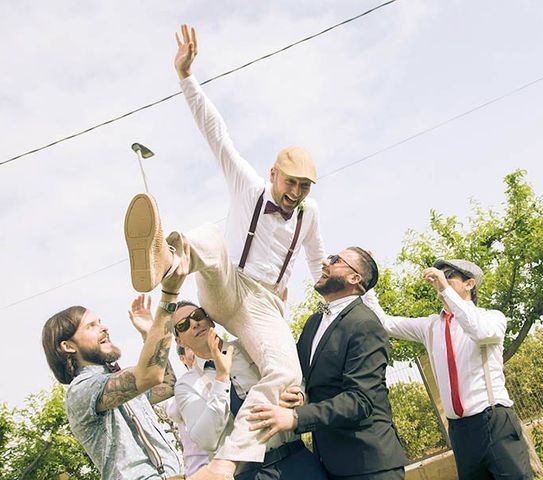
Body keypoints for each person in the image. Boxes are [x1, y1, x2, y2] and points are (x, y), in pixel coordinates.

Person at [124, 24, 325, 480]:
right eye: (290, 182)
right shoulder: (249, 186)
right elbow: (218, 134)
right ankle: (169, 262)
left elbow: (317, 261)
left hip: (266, 304)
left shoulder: (311, 214)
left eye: (304, 186)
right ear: (274, 174)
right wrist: (186, 77)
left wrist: (332, 300)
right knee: (211, 239)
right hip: (228, 281)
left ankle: (227, 459)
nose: (295, 192)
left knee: (285, 374)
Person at [248, 248, 408, 479]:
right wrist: (301, 396)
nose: (325, 261)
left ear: (354, 278)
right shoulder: (314, 323)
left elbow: (360, 400)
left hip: (370, 465)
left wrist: (295, 417)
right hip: (330, 465)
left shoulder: (365, 325)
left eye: (335, 260)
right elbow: (308, 378)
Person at [365, 259, 533, 480]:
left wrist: (446, 290)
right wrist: (367, 279)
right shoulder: (431, 325)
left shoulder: (491, 317)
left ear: (470, 284)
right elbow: (385, 323)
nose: (440, 279)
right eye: (440, 275)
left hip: (494, 420)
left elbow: (480, 333)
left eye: (449, 275)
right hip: (459, 430)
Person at [40, 241, 191, 480]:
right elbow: (148, 374)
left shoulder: (114, 382)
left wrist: (147, 332)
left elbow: (166, 384)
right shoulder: (82, 391)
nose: (104, 328)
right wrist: (169, 295)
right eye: (91, 326)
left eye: (100, 322)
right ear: (67, 346)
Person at [171, 299, 328, 480]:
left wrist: (300, 393)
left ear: (210, 320)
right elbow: (206, 439)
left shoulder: (250, 346)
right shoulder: (186, 385)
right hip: (247, 473)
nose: (194, 324)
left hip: (296, 460)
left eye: (197, 315)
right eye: (183, 325)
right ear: (179, 340)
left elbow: (292, 373)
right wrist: (221, 380)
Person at [165, 345, 210, 476]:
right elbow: (173, 412)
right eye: (189, 347)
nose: (196, 348)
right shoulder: (182, 388)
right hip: (198, 470)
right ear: (182, 358)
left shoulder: (222, 376)